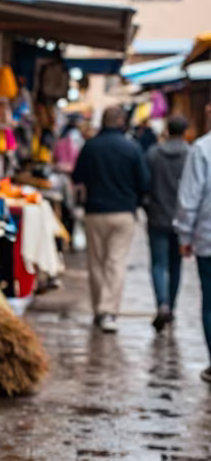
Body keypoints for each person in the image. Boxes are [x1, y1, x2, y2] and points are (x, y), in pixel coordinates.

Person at [73, 106, 150, 332]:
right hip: (123, 212)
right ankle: (108, 311)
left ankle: (99, 308)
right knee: (115, 263)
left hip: (95, 211)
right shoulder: (132, 148)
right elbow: (144, 183)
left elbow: (78, 177)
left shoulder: (91, 147)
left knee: (96, 262)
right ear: (121, 122)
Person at [174, 106, 211, 382]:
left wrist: (185, 237)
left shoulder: (202, 149)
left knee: (210, 302)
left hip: (209, 240)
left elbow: (189, 199)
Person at [145, 115, 189, 331]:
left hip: (157, 216)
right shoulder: (191, 154)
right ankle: (171, 307)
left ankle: (162, 303)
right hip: (181, 220)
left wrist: (148, 205)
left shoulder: (154, 154)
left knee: (158, 263)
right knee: (175, 265)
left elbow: (145, 183)